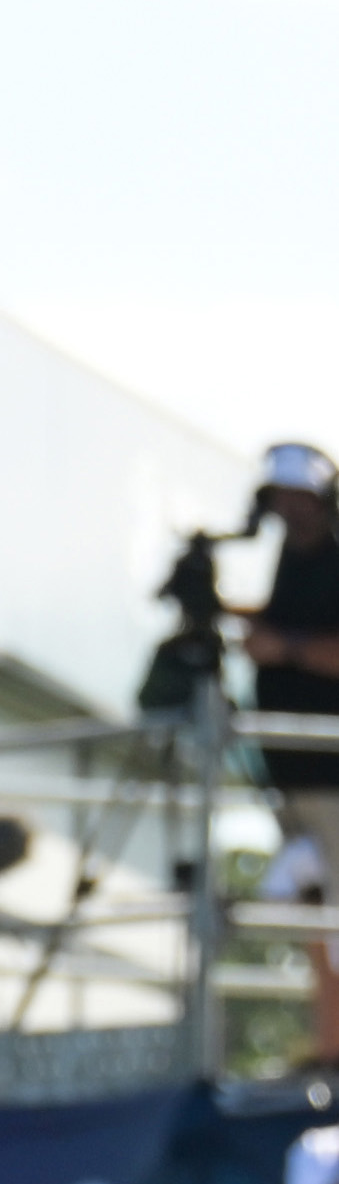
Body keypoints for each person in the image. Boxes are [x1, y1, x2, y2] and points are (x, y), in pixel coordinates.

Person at [242, 445, 339, 1060]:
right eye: (281, 496)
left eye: (300, 496)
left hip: (332, 777)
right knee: (313, 915)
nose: (289, 508)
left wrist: (285, 648)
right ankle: (330, 1048)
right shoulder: (288, 561)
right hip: (295, 779)